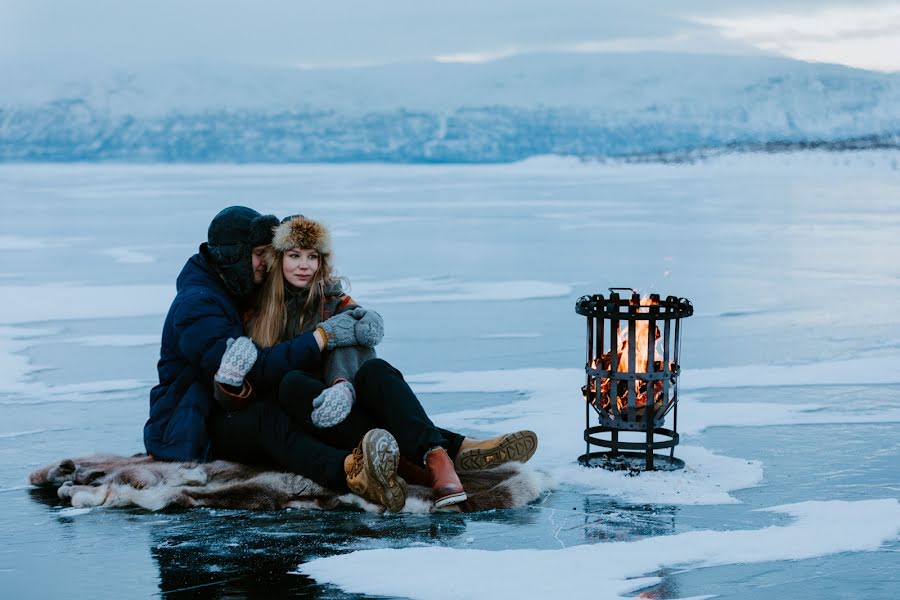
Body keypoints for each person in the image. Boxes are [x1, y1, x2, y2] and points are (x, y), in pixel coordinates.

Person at [236, 215, 538, 508]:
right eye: (294, 255)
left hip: (349, 409)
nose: (304, 265)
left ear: (322, 262)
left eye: (312, 256)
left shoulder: (335, 301)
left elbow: (357, 345)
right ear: (280, 259)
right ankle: (448, 449)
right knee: (295, 384)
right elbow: (261, 370)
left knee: (376, 371)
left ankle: (436, 456)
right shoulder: (259, 310)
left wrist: (342, 385)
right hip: (306, 417)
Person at [144, 206, 407, 512]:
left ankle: (423, 452)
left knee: (304, 396)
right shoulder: (197, 305)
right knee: (269, 420)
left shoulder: (232, 289)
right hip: (189, 428)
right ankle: (349, 470)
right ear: (234, 255)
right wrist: (320, 339)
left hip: (220, 411)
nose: (265, 262)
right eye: (258, 253)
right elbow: (256, 370)